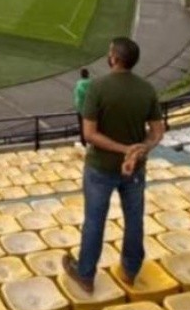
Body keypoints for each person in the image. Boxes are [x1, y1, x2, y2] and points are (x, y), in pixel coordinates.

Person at [63, 37, 165, 294]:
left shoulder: (97, 87)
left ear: (115, 58)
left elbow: (90, 134)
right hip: (135, 169)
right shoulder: (146, 89)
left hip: (100, 167)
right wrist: (140, 148)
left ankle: (85, 274)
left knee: (94, 221)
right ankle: (130, 272)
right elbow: (157, 132)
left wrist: (124, 150)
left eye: (110, 53)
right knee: (134, 220)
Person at [74, 68, 92, 146]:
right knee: (92, 127)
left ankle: (83, 143)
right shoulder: (92, 83)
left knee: (82, 127)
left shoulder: (79, 84)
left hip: (81, 109)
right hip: (91, 109)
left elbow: (77, 97)